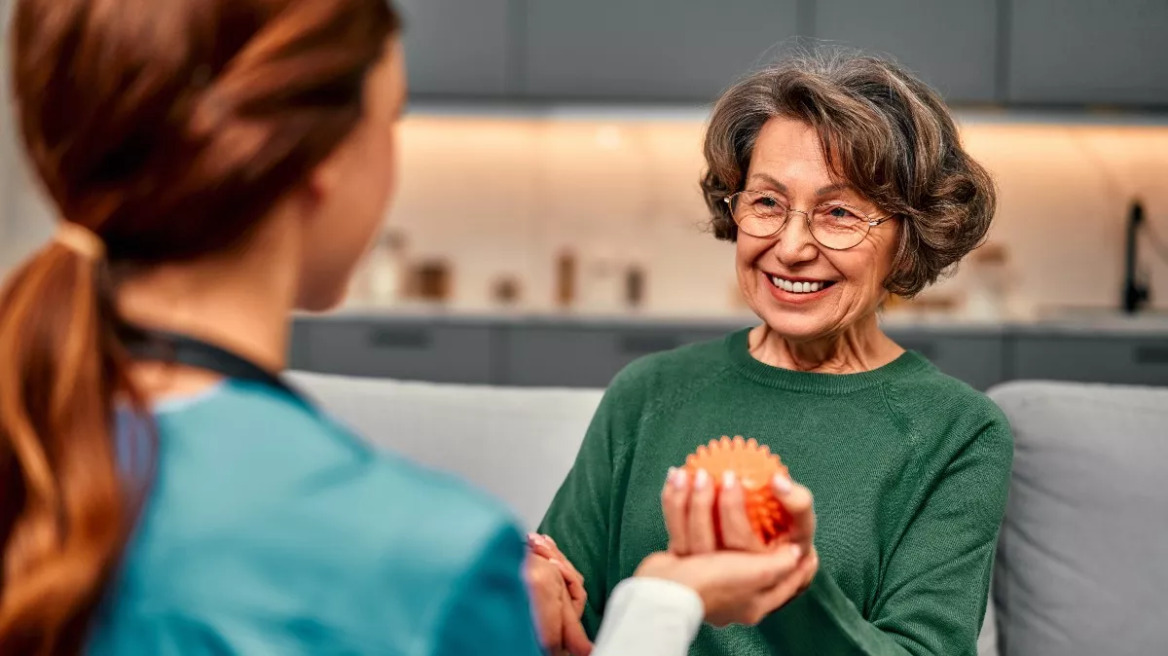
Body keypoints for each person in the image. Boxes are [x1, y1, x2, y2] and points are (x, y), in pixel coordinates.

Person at [0, 1, 815, 655]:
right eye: (390, 118)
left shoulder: (37, 443)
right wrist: (664, 601)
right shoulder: (429, 559)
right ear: (317, 163)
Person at [540, 51, 1014, 655]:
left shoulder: (959, 433)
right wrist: (539, 598)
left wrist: (783, 581)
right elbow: (567, 603)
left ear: (910, 235)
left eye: (838, 213)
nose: (790, 247)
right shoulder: (648, 391)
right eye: (766, 203)